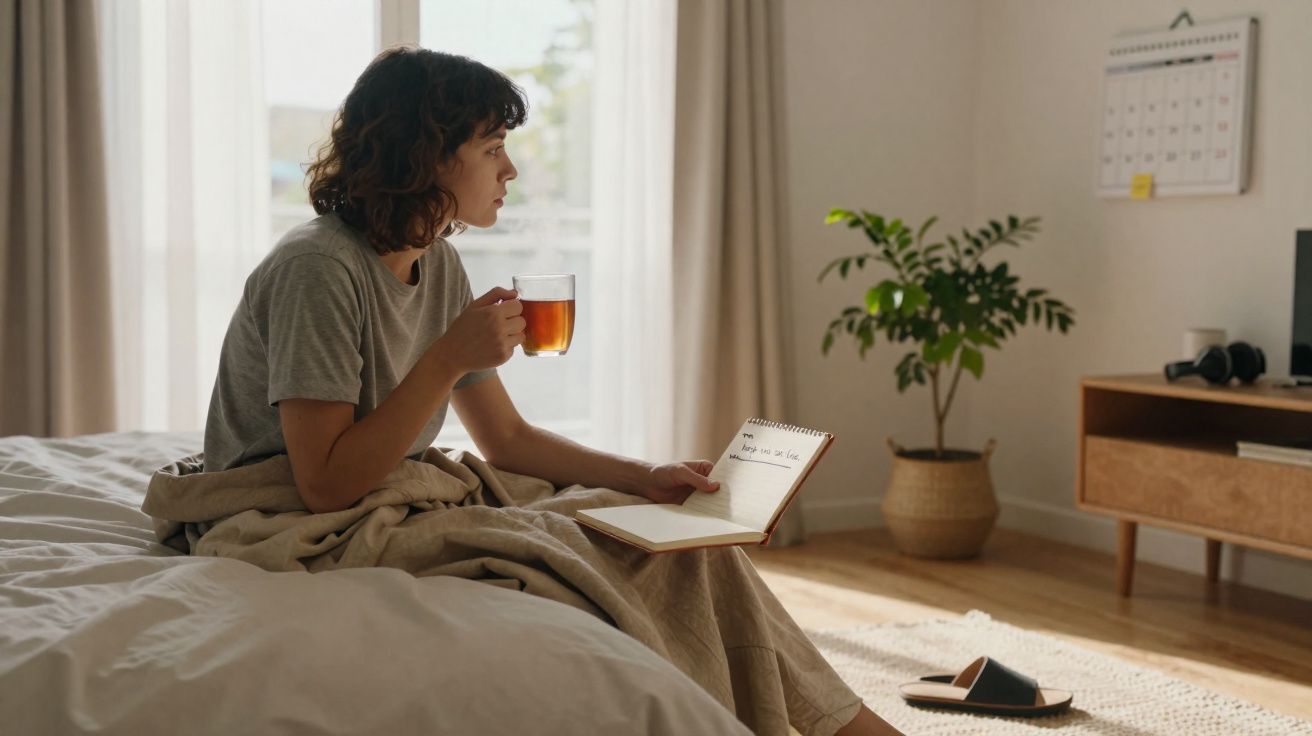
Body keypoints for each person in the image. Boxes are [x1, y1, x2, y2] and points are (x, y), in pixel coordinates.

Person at [201, 46, 904, 736]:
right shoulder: (318, 270)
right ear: (425, 154)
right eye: (493, 147)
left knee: (682, 539)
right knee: (581, 546)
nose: (510, 169)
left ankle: (842, 725)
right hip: (294, 521)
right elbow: (323, 485)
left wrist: (647, 475)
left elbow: (507, 441)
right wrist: (446, 360)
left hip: (384, 495)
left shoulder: (436, 262)